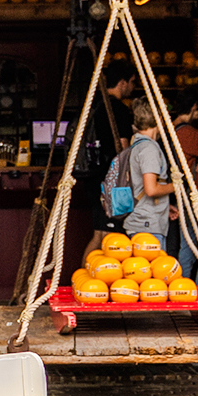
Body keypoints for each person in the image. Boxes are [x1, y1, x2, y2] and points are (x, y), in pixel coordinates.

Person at [80, 60, 138, 265]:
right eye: (131, 82)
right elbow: (122, 148)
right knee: (108, 236)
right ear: (122, 82)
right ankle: (91, 280)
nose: (132, 87)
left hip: (92, 177)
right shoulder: (118, 111)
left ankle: (86, 279)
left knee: (100, 233)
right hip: (110, 181)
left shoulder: (94, 105)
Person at [164, 88, 198, 292]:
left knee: (187, 247)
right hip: (197, 193)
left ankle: (180, 290)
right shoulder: (192, 134)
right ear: (194, 108)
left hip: (178, 195)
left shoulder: (167, 130)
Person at [119, 98, 175, 240]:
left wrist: (165, 206)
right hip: (147, 224)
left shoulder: (137, 145)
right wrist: (176, 187)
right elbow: (151, 189)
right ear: (159, 119)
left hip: (143, 220)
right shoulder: (149, 149)